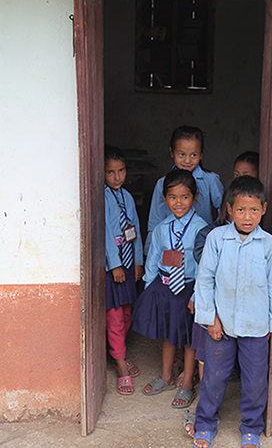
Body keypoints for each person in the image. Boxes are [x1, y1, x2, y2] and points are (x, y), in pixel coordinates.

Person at [192, 175, 272, 448]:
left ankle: (251, 427)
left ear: (264, 208)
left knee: (255, 382)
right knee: (214, 378)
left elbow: (271, 285)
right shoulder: (217, 239)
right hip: (222, 325)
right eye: (240, 209)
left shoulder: (267, 243)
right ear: (229, 209)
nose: (248, 216)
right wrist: (210, 319)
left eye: (254, 210)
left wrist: (269, 324)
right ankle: (205, 422)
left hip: (255, 325)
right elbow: (204, 279)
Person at [132, 169, 207, 408]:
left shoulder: (201, 228)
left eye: (185, 197)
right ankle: (166, 375)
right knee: (167, 334)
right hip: (165, 287)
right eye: (173, 197)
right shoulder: (161, 228)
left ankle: (186, 384)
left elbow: (205, 266)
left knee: (188, 338)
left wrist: (197, 295)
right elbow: (154, 257)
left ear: (194, 198)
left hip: (188, 289)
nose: (178, 202)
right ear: (164, 199)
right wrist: (148, 288)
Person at [144, 125, 223, 254]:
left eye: (193, 155)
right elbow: (155, 220)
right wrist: (149, 251)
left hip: (202, 247)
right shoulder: (162, 183)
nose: (187, 160)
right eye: (181, 154)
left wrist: (215, 233)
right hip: (170, 247)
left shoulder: (210, 180)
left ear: (201, 154)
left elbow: (225, 209)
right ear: (171, 152)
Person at [104, 145, 144, 395]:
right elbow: (106, 233)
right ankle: (119, 364)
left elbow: (136, 228)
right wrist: (115, 264)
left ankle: (120, 352)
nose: (117, 177)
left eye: (121, 170)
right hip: (114, 267)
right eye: (110, 172)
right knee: (116, 317)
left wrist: (137, 260)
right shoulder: (102, 196)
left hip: (129, 265)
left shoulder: (127, 196)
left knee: (128, 313)